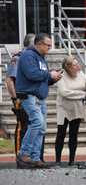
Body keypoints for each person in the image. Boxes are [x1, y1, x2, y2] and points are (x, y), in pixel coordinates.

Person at [15, 33, 62, 168]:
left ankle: (35, 158)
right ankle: (24, 154)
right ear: (39, 44)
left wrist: (52, 79)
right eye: (48, 45)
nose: (49, 48)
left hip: (39, 98)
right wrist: (49, 74)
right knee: (37, 122)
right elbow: (32, 74)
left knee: (41, 128)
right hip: (29, 96)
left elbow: (42, 79)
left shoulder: (41, 58)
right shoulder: (27, 55)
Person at [5, 33, 45, 166]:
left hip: (35, 97)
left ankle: (35, 157)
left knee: (37, 126)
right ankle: (21, 158)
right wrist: (15, 98)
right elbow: (10, 80)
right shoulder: (19, 58)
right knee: (23, 127)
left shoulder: (36, 58)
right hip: (22, 98)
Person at [55, 56, 86, 166]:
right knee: (61, 134)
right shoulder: (61, 75)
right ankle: (58, 160)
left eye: (78, 64)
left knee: (74, 134)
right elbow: (64, 93)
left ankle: (71, 160)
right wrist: (82, 94)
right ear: (68, 67)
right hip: (63, 108)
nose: (78, 66)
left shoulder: (81, 74)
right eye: (75, 64)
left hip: (77, 108)